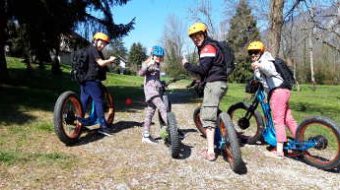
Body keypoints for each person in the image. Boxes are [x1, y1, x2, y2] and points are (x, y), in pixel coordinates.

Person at [182, 22, 228, 161]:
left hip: (214, 84)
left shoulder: (207, 47)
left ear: (204, 34)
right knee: (212, 111)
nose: (196, 39)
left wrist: (187, 65)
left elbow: (202, 69)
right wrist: (200, 81)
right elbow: (209, 69)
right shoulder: (212, 46)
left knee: (207, 117)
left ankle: (211, 151)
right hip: (220, 82)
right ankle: (220, 136)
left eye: (198, 35)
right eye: (193, 37)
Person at [247, 41, 298, 158]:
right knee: (288, 119)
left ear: (261, 52)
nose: (253, 55)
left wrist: (258, 65)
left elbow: (270, 71)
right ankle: (300, 143)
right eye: (251, 53)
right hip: (284, 90)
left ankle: (279, 150)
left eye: (255, 52)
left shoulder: (265, 60)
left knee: (278, 121)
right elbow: (264, 82)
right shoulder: (264, 60)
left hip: (278, 92)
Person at [79, 32, 116, 136]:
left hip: (84, 80)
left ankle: (79, 124)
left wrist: (107, 62)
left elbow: (99, 65)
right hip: (92, 80)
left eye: (104, 44)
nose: (102, 45)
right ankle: (103, 127)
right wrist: (109, 60)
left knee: (83, 103)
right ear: (95, 40)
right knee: (99, 101)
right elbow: (100, 63)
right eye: (101, 43)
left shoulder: (90, 50)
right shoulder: (94, 49)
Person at [138, 45, 168, 144]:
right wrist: (147, 65)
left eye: (160, 57)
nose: (159, 58)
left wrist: (162, 84)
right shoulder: (147, 63)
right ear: (152, 55)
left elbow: (156, 79)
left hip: (156, 90)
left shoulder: (157, 65)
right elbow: (140, 73)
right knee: (162, 107)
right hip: (151, 91)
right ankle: (172, 129)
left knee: (150, 112)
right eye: (157, 56)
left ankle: (146, 135)